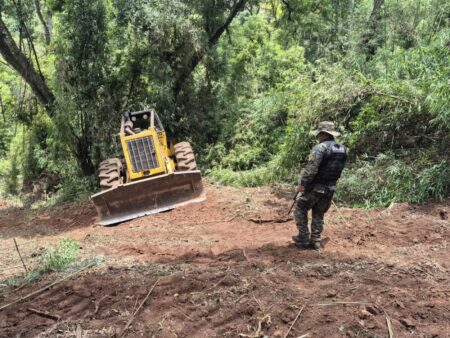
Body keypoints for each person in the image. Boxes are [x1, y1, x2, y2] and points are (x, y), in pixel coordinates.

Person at [292, 121, 347, 250]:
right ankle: (316, 239)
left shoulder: (320, 148)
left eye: (318, 134)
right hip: (331, 187)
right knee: (319, 212)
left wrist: (303, 184)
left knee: (300, 207)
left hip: (316, 186)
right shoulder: (343, 149)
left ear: (322, 133)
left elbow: (311, 169)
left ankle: (303, 238)